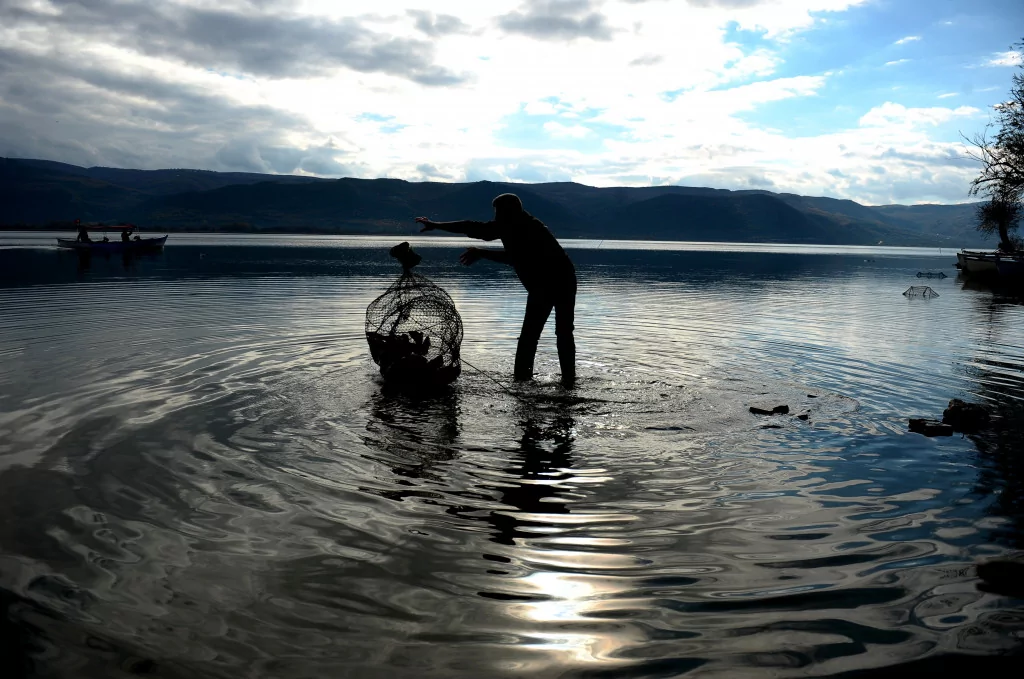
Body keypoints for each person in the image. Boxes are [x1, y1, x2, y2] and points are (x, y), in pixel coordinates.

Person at [415, 193, 577, 386]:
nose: (495, 217)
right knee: (543, 334)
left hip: (555, 281)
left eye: (498, 212)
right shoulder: (509, 224)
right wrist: (436, 225)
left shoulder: (529, 227)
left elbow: (516, 257)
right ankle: (541, 381)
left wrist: (481, 253)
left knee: (546, 334)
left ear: (510, 211)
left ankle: (543, 380)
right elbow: (473, 227)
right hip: (554, 281)